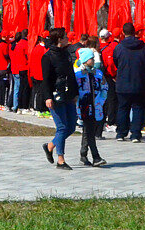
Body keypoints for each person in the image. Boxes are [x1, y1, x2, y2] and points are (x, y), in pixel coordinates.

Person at [39, 28, 77, 170]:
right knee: (62, 127)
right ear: (59, 39)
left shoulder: (66, 53)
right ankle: (60, 160)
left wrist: (75, 93)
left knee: (72, 126)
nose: (68, 38)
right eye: (65, 37)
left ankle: (50, 146)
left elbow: (71, 74)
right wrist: (47, 97)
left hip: (68, 94)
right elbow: (46, 80)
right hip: (55, 96)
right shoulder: (48, 57)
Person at [111, 22, 145, 143]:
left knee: (123, 108)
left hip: (123, 82)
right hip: (140, 82)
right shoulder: (144, 47)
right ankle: (135, 134)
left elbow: (115, 62)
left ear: (123, 33)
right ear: (135, 32)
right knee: (138, 108)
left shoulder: (119, 47)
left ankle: (121, 133)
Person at [75, 47, 107, 167]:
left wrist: (101, 100)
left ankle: (83, 155)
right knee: (89, 130)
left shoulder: (98, 73)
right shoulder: (78, 74)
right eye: (91, 58)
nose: (93, 60)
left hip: (96, 106)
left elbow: (105, 87)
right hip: (84, 106)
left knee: (89, 130)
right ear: (85, 60)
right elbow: (75, 91)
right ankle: (96, 156)